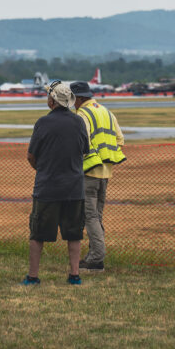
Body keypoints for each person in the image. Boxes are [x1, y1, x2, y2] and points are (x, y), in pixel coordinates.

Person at [23, 81, 89, 285]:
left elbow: (31, 156)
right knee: (74, 234)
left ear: (52, 100)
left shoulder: (43, 123)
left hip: (47, 187)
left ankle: (33, 276)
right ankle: (74, 275)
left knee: (38, 234)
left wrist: (43, 170)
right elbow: (84, 151)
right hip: (74, 188)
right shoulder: (78, 122)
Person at [69, 80, 126, 273]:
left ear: (80, 97)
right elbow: (120, 140)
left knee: (90, 216)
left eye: (73, 99)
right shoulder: (106, 112)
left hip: (89, 171)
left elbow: (80, 140)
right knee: (97, 216)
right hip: (105, 172)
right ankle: (95, 257)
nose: (72, 103)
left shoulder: (83, 114)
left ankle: (96, 258)